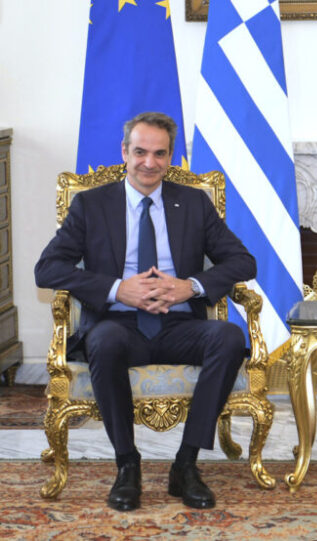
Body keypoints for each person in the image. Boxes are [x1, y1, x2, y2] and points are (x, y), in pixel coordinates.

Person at [35, 112, 256, 512]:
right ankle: (127, 465)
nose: (149, 163)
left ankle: (186, 464)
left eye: (159, 153)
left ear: (170, 156)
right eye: (140, 152)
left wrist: (189, 286)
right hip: (119, 326)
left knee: (228, 337)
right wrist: (120, 289)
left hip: (180, 325)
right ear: (124, 152)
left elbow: (243, 261)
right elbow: (47, 268)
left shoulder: (193, 203)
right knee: (102, 341)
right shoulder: (91, 204)